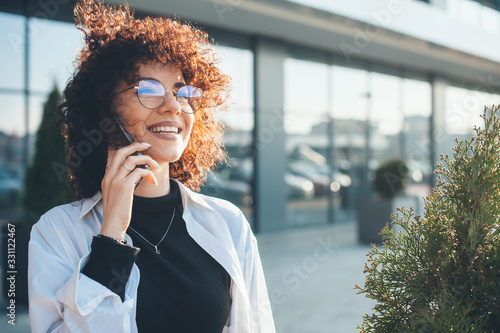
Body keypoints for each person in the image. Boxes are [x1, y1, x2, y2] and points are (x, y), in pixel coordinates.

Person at [27, 0, 275, 332]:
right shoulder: (56, 232)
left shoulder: (228, 224)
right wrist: (111, 237)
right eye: (148, 89)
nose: (173, 105)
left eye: (182, 92)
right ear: (105, 108)